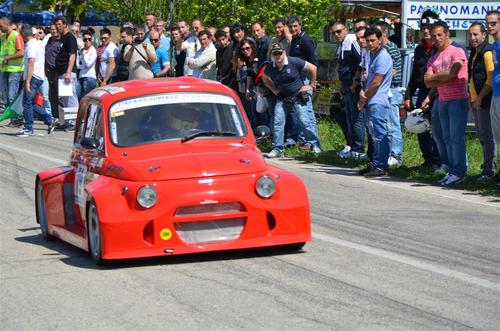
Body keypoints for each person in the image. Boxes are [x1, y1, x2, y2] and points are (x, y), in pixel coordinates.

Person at [424, 21, 468, 186]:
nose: (437, 38)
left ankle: (459, 171)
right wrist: (443, 75)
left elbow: (454, 72)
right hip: (442, 99)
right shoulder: (434, 57)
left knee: (456, 138)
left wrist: (437, 77)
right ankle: (452, 170)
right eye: (434, 36)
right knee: (446, 138)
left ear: (447, 34)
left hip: (458, 99)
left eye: (440, 34)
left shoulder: (457, 51)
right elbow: (427, 82)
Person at [262, 42, 321, 157]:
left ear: (284, 52)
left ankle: (315, 145)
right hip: (283, 97)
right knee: (278, 122)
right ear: (272, 55)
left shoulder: (293, 61)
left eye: (280, 52)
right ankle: (277, 148)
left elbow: (313, 68)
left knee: (304, 121)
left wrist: (311, 84)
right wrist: (274, 90)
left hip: (298, 96)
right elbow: (264, 77)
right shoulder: (270, 66)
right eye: (275, 53)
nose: (278, 55)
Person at [403, 20, 443, 171]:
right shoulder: (419, 49)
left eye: (428, 28)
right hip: (422, 91)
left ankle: (439, 162)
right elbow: (415, 75)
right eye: (423, 28)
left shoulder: (438, 48)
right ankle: (428, 160)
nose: (425, 31)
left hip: (436, 92)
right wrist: (408, 95)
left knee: (436, 129)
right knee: (420, 126)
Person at [357, 27, 393, 177]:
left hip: (377, 100)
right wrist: (362, 90)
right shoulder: (371, 55)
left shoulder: (383, 57)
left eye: (373, 40)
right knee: (373, 135)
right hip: (371, 99)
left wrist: (364, 96)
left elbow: (377, 82)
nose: (370, 43)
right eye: (368, 40)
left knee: (380, 134)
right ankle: (374, 163)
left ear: (380, 39)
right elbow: (368, 78)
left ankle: (380, 166)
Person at [331, 20, 364, 159]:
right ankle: (351, 146)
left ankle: (359, 149)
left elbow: (361, 62)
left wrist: (355, 82)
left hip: (354, 87)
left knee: (356, 119)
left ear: (346, 30)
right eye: (334, 33)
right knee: (348, 118)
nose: (336, 34)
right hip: (346, 86)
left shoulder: (352, 41)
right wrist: (341, 86)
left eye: (339, 31)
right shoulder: (341, 45)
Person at [468, 22, 496, 181]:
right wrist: (470, 98)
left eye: (476, 34)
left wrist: (479, 99)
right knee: (481, 135)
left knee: (487, 136)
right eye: (470, 34)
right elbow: (472, 79)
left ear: (484, 35)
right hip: (476, 101)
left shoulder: (487, 52)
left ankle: (489, 170)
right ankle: (486, 168)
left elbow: (491, 79)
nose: (473, 38)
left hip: (485, 101)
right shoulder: (474, 53)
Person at [374, 21, 403, 167]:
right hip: (382, 91)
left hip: (392, 90)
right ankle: (384, 155)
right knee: (383, 125)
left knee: (392, 125)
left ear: (384, 34)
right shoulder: (377, 50)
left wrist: (378, 74)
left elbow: (394, 73)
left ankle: (396, 156)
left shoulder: (390, 49)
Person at [18, 24, 55, 136]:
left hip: (33, 77)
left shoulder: (31, 46)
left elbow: (31, 63)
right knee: (30, 103)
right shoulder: (37, 43)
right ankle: (49, 119)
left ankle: (28, 127)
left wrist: (27, 81)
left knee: (27, 103)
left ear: (24, 35)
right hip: (38, 76)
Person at [53, 16, 78, 129]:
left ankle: (74, 122)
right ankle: (68, 121)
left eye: (59, 24)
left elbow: (72, 55)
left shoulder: (70, 37)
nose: (58, 27)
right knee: (65, 98)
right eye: (56, 24)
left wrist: (68, 72)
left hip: (68, 72)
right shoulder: (62, 38)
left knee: (71, 98)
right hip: (62, 72)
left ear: (65, 24)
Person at [0, 15, 24, 120]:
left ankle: (17, 119)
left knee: (12, 96)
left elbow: (22, 52)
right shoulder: (3, 36)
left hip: (15, 70)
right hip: (5, 70)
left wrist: (8, 57)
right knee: (7, 96)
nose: (0, 28)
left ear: (7, 24)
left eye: (0, 26)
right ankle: (14, 119)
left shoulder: (16, 35)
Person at [486, 10, 500, 185]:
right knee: (498, 137)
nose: (489, 26)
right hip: (495, 94)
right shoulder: (495, 45)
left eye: (493, 23)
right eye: (487, 23)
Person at [44, 23, 60, 120]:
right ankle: (55, 117)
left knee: (60, 97)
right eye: (52, 29)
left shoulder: (61, 40)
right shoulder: (49, 40)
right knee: (52, 96)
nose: (53, 31)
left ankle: (62, 119)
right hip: (49, 72)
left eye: (55, 29)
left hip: (58, 71)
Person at [78, 30, 97, 98]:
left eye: (89, 39)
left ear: (92, 40)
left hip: (89, 78)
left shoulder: (93, 50)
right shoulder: (81, 50)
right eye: (85, 39)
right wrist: (82, 66)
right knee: (79, 98)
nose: (87, 41)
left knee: (86, 99)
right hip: (81, 76)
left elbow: (88, 64)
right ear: (83, 40)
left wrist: (84, 54)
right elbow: (77, 64)